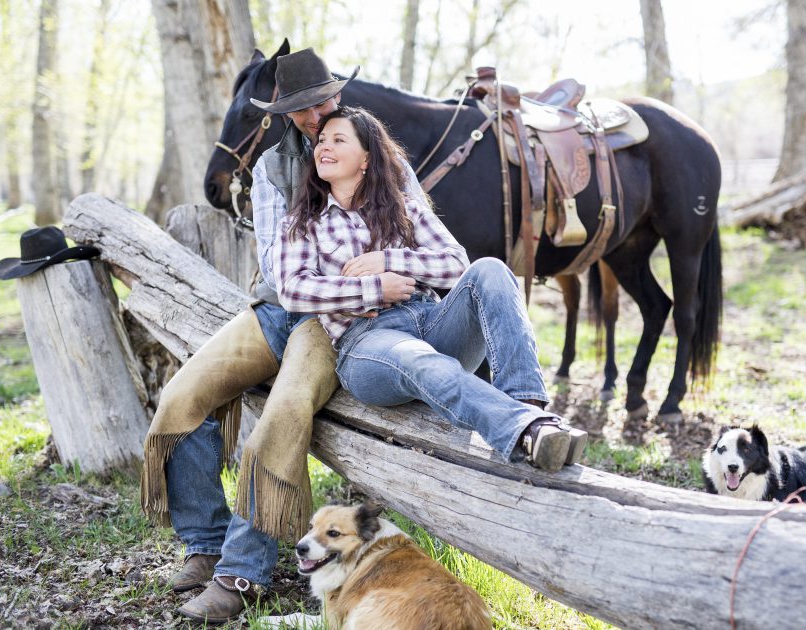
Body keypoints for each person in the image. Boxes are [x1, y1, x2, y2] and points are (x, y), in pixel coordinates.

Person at [139, 48, 427, 624]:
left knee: (285, 411)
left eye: (320, 103)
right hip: (283, 308)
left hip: (336, 322)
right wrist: (356, 279)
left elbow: (419, 239)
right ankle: (206, 540)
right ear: (284, 114)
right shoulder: (273, 169)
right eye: (299, 109)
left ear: (336, 96)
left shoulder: (378, 156)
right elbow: (279, 274)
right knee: (182, 398)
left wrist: (373, 279)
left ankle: (243, 571)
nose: (314, 117)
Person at [274, 106, 588, 472]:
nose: (323, 147)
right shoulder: (301, 223)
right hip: (367, 342)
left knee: (492, 270)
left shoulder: (404, 209)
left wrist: (390, 261)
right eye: (321, 141)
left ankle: (531, 412)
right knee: (420, 360)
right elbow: (294, 290)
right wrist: (375, 289)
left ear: (366, 158)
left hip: (433, 320)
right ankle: (523, 428)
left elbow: (457, 264)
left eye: (338, 140)